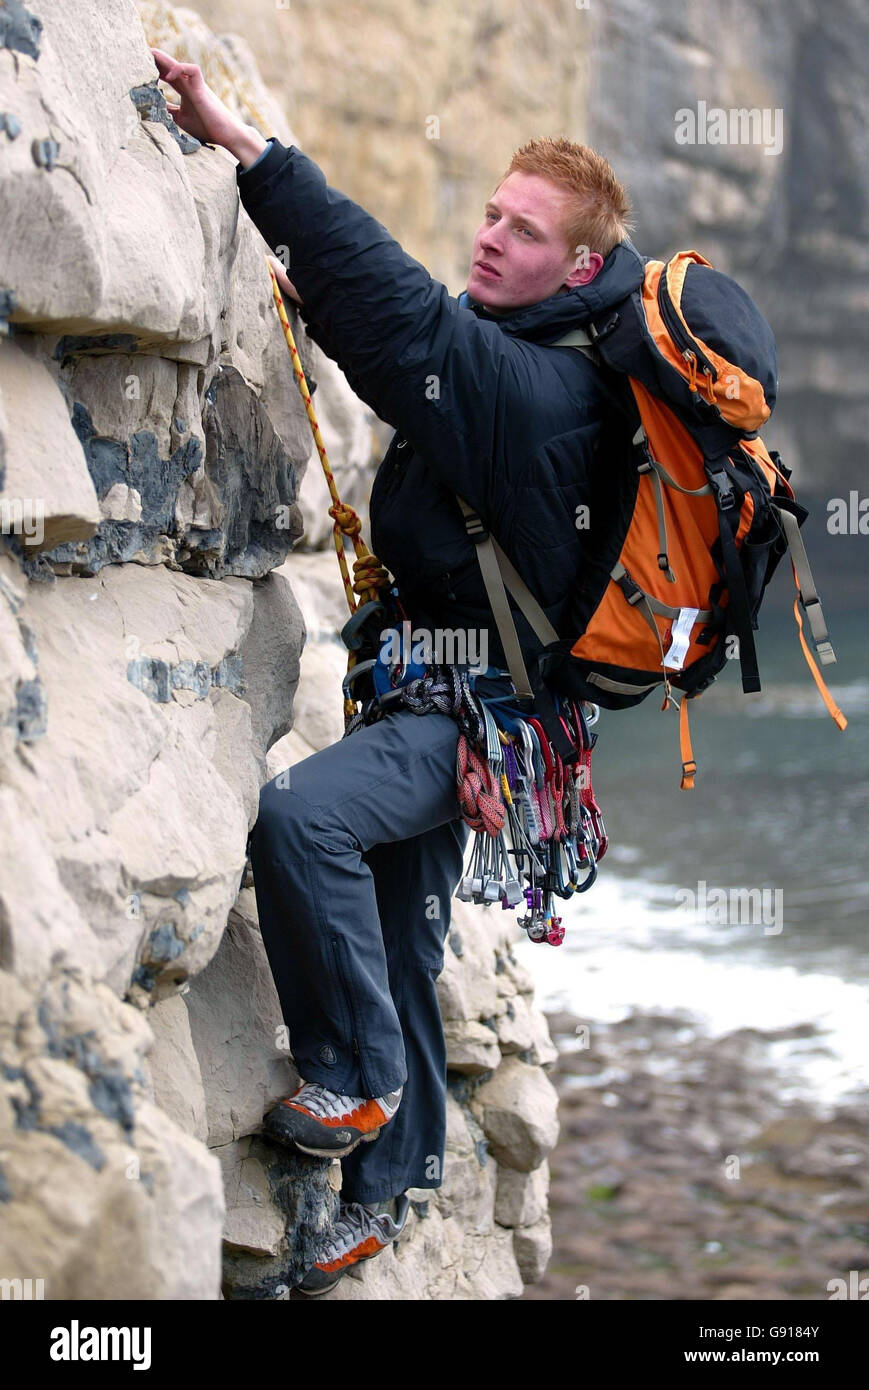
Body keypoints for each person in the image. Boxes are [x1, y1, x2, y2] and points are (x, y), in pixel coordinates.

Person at [151, 49, 642, 1295]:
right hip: (460, 694)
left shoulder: (536, 391)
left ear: (576, 269)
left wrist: (248, 152)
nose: (489, 239)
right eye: (488, 212)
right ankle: (385, 1188)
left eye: (522, 233)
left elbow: (406, 325)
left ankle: (358, 1082)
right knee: (402, 935)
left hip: (478, 715)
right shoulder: (520, 353)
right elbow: (415, 342)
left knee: (304, 819)